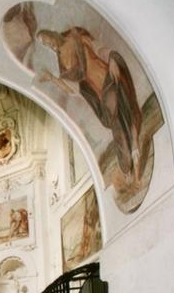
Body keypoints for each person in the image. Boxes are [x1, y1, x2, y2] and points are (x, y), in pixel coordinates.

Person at [36, 27, 143, 184]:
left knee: (128, 113)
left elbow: (99, 48)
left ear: (52, 33)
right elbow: (72, 88)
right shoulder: (63, 63)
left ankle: (134, 155)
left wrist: (112, 59)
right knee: (119, 130)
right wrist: (52, 78)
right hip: (101, 96)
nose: (49, 45)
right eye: (45, 45)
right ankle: (129, 166)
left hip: (110, 77)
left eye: (47, 40)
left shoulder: (76, 35)